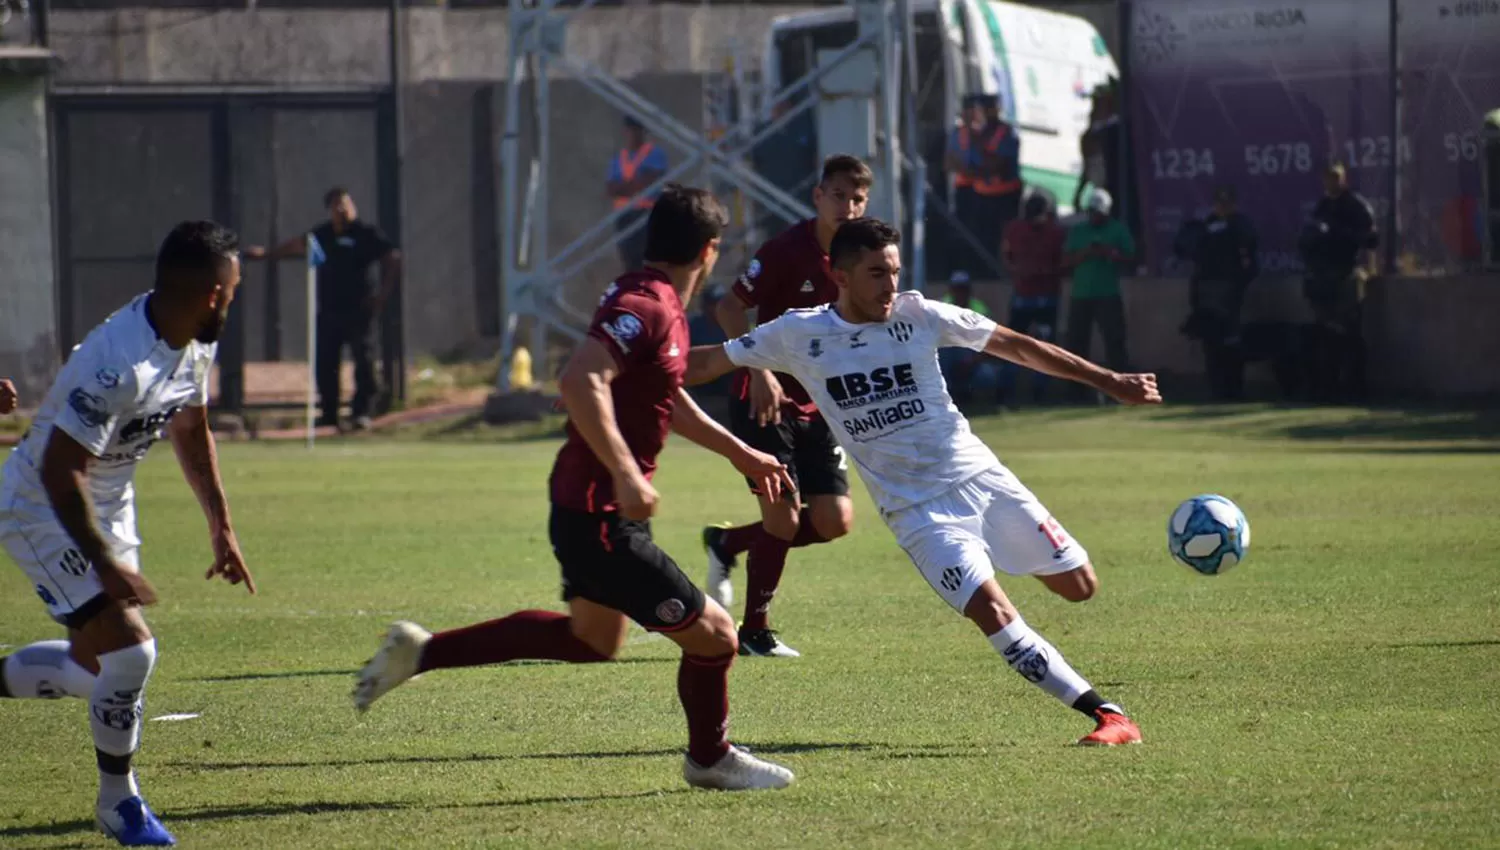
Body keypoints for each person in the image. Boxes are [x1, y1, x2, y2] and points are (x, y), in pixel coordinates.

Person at [351, 185, 797, 792]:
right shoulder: (649, 304)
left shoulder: (652, 299)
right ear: (711, 251)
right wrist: (624, 471)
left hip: (586, 508)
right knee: (716, 637)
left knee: (592, 639)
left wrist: (741, 452)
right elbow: (581, 377)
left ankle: (421, 653)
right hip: (601, 514)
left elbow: (666, 393)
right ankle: (710, 759)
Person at [686, 217, 1159, 746]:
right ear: (839, 277)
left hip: (982, 479)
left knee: (1079, 587)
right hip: (916, 513)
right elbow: (707, 363)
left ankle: (1004, 555)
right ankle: (1109, 716)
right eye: (875, 274)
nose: (889, 286)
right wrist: (621, 372)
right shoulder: (799, 333)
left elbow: (1016, 345)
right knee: (994, 611)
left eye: (893, 272)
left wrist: (1109, 380)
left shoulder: (920, 315)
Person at [0, 221, 257, 846]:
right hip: (42, 504)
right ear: (214, 294)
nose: (236, 296)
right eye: (235, 287)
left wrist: (221, 526)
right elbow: (62, 470)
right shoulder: (120, 363)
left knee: (96, 669)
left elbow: (192, 429)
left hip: (108, 504)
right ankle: (119, 803)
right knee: (132, 653)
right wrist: (106, 565)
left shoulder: (195, 338)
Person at [700, 154, 872, 658]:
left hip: (822, 406)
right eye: (838, 195)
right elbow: (728, 307)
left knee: (833, 520)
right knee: (782, 520)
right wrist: (758, 371)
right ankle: (754, 631)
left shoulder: (864, 256)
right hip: (764, 403)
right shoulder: (784, 251)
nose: (848, 206)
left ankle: (727, 545)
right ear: (818, 197)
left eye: (857, 198)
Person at [244, 188, 401, 431]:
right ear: (330, 209)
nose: (342, 210)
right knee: (326, 361)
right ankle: (329, 413)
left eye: (346, 204)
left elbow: (392, 257)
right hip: (329, 309)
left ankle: (361, 412)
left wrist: (382, 294)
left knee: (364, 360)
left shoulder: (366, 234)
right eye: (337, 205)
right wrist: (266, 254)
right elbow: (297, 245)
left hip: (359, 309)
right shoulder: (323, 234)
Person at [1298, 162, 1376, 402]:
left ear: (1344, 178)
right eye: (1328, 177)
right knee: (1326, 332)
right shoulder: (1322, 205)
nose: (1332, 182)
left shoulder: (1354, 204)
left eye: (1336, 177)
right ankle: (1328, 388)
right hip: (1323, 275)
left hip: (1346, 273)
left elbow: (1371, 239)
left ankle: (1356, 388)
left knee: (1350, 332)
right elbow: (1311, 237)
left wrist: (1338, 232)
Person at [1179, 186, 1259, 401]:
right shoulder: (1206, 225)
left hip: (1230, 291)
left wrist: (1240, 283)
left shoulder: (1240, 224)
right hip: (1207, 291)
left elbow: (1249, 255)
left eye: (1227, 202)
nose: (1222, 207)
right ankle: (1217, 389)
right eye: (1219, 202)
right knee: (1210, 342)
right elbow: (1187, 249)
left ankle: (1235, 389)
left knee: (1231, 341)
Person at [1064, 189, 1135, 402]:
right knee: (1076, 344)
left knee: (1115, 343)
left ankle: (1120, 390)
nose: (1095, 216)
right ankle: (1076, 394)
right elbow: (1065, 261)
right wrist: (1086, 253)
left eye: (1098, 213)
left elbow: (1132, 257)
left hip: (1108, 294)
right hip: (1081, 294)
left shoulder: (1117, 230)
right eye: (1092, 212)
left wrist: (1109, 253)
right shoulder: (1078, 231)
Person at [1000, 194, 1067, 405]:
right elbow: (1006, 254)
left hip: (1046, 294)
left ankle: (1040, 392)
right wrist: (1016, 270)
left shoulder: (1055, 232)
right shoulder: (1016, 229)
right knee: (1013, 343)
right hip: (1024, 294)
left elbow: (1063, 261)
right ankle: (1006, 391)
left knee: (1044, 345)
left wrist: (1045, 271)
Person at [607, 116, 669, 273]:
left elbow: (649, 181)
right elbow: (611, 189)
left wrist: (626, 187)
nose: (632, 135)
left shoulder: (654, 154)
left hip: (646, 215)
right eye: (629, 131)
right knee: (629, 259)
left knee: (648, 259)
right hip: (624, 216)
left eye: (636, 131)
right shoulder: (618, 158)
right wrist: (634, 185)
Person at [936, 280, 994, 406]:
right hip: (947, 353)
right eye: (957, 290)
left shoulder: (979, 308)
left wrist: (973, 361)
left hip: (972, 354)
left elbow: (989, 342)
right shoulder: (940, 306)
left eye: (963, 290)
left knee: (987, 374)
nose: (960, 294)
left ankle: (978, 401)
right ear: (951, 290)